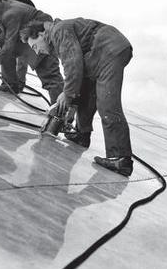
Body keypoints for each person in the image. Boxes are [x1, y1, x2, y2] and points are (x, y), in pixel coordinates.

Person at [20, 17, 134, 176]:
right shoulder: (57, 36)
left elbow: (73, 64)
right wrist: (71, 100)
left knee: (107, 103)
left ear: (41, 34)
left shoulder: (58, 31)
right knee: (87, 92)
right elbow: (76, 70)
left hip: (108, 49)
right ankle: (82, 134)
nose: (36, 51)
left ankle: (120, 158)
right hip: (98, 54)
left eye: (35, 46)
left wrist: (67, 94)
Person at [0, 0, 64, 104]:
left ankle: (60, 112)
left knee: (48, 73)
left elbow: (9, 43)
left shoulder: (10, 13)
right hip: (26, 34)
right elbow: (7, 35)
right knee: (5, 52)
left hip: (40, 34)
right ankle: (10, 85)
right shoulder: (2, 8)